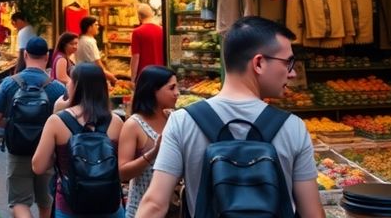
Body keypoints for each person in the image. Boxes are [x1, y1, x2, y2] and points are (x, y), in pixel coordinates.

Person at [134, 16, 322, 218]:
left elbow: (154, 204)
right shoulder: (293, 128)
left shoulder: (182, 122)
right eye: (288, 62)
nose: (292, 73)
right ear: (258, 63)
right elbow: (312, 213)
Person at [32, 63, 124, 218]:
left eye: (70, 80)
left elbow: (38, 166)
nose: (67, 84)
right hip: (109, 205)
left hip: (70, 206)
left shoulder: (56, 121)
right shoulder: (116, 122)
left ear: (76, 86)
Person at [0, 38, 67, 218]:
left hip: (17, 150)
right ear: (47, 57)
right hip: (47, 153)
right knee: (46, 202)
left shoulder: (9, 83)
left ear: (25, 55)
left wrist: (13, 124)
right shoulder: (56, 88)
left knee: (18, 203)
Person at [118, 65, 179, 217]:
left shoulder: (174, 118)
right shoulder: (134, 125)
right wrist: (153, 153)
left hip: (175, 207)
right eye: (171, 88)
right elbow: (122, 173)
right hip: (143, 209)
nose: (177, 93)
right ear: (154, 90)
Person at [75, 17, 118, 85]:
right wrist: (112, 78)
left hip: (81, 76)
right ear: (89, 27)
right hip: (91, 78)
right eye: (96, 25)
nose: (98, 27)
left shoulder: (81, 39)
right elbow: (98, 64)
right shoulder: (90, 42)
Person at [131, 4, 164, 83]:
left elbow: (135, 57)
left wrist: (133, 78)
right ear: (152, 14)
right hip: (161, 72)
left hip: (144, 75)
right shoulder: (162, 30)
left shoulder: (137, 32)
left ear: (139, 16)